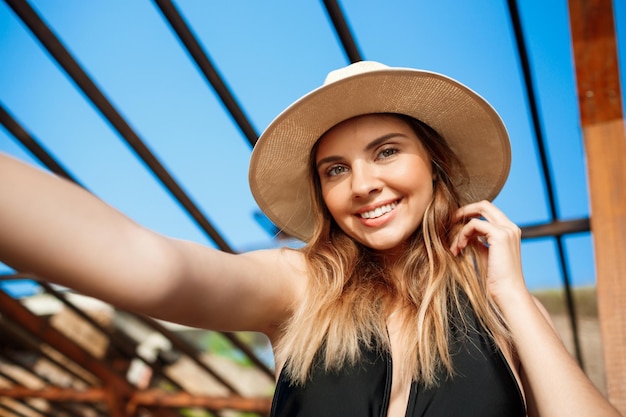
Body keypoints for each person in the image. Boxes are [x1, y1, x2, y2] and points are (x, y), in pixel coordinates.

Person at [0, 61, 620, 417]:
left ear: (434, 164)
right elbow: (152, 268)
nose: (362, 184)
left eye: (386, 152)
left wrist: (510, 294)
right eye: (336, 169)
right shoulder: (301, 286)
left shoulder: (508, 313)